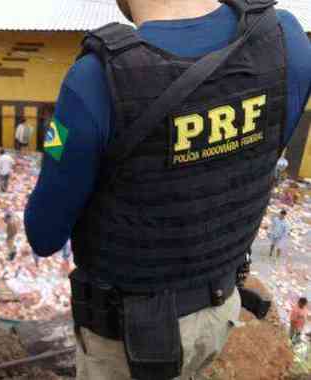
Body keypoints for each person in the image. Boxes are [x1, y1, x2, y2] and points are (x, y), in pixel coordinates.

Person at [24, 1, 311, 379]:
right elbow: (262, 158)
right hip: (220, 309)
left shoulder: (94, 79)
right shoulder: (286, 38)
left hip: (128, 340)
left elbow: (43, 235)